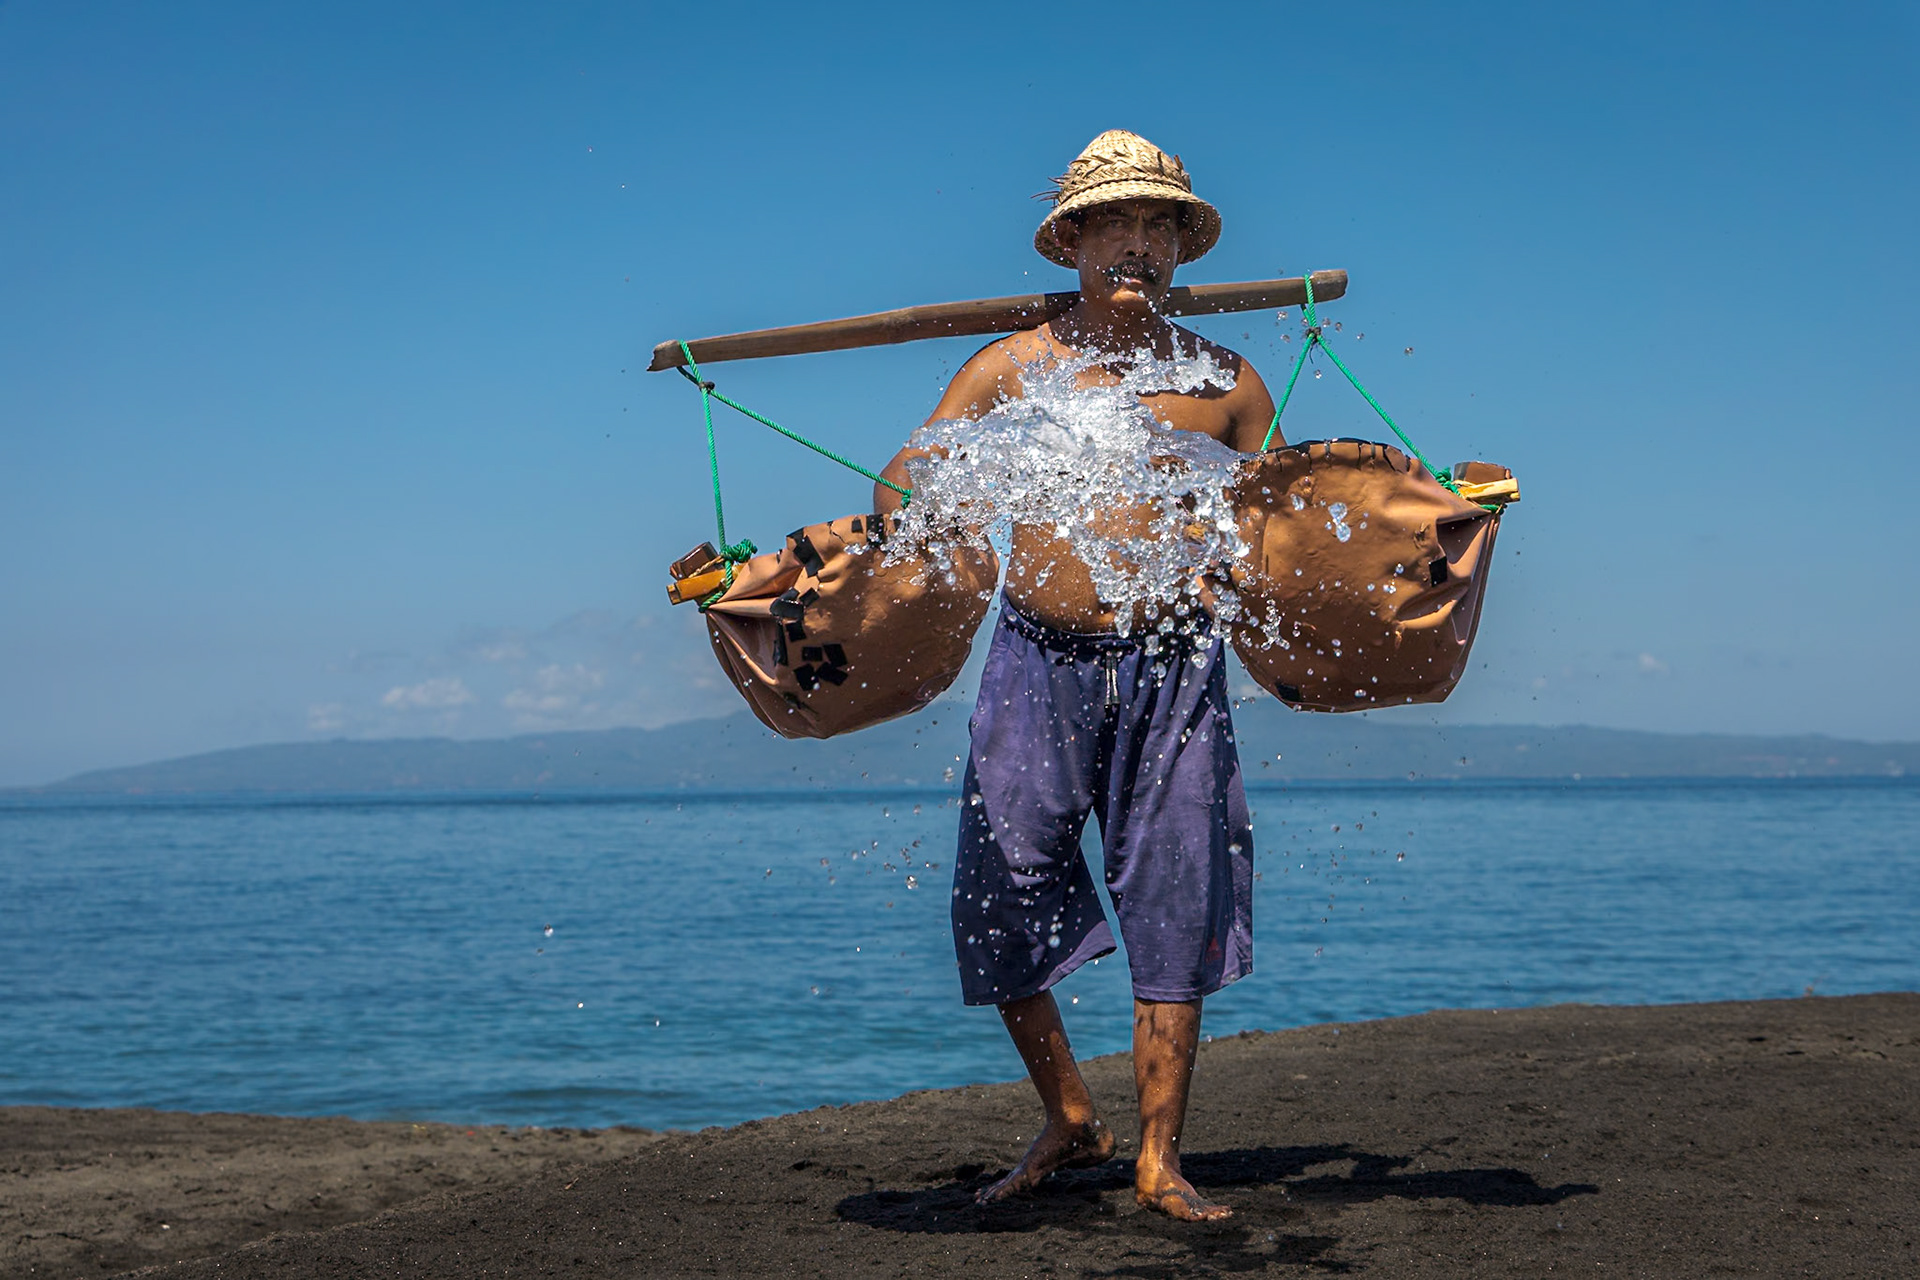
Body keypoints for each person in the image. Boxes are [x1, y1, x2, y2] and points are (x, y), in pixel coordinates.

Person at [874, 130, 1282, 1222]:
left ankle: (1159, 1156)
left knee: (1178, 886)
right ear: (1074, 242)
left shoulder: (1228, 386)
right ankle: (1069, 1112)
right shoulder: (1013, 366)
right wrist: (917, 518)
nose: (1136, 244)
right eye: (1114, 223)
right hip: (1034, 661)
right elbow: (906, 475)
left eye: (1156, 225)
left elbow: (1280, 536)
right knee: (998, 886)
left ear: (1181, 244)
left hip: (1176, 669)